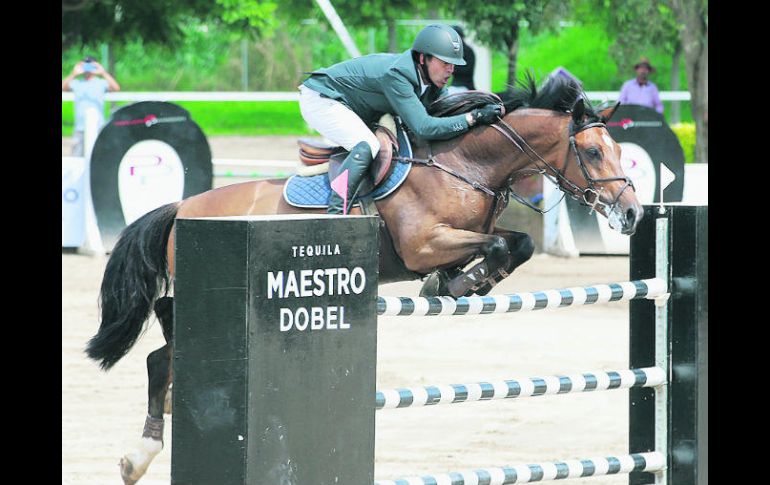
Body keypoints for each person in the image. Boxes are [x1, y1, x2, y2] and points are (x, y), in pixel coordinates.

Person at [299, 23, 503, 215]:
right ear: (423, 59)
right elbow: (424, 127)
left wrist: (480, 108)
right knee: (366, 144)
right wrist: (472, 118)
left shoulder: (431, 80)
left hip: (352, 105)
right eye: (445, 63)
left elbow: (448, 110)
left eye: (453, 65)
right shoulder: (397, 75)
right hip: (322, 98)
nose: (451, 70)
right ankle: (336, 214)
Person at [62, 56, 121, 156]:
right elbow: (63, 87)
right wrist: (74, 73)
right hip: (79, 127)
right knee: (76, 157)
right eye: (86, 65)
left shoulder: (101, 83)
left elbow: (116, 87)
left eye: (91, 65)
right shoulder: (77, 83)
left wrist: (103, 72)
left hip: (98, 126)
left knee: (98, 156)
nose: (88, 68)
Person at [447, 25, 476, 94]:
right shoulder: (454, 51)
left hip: (465, 86)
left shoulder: (468, 51)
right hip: (455, 85)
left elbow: (467, 69)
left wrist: (452, 68)